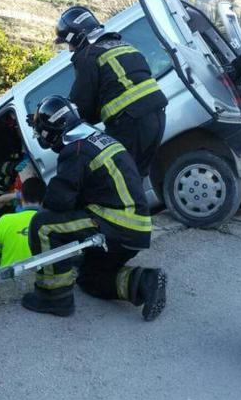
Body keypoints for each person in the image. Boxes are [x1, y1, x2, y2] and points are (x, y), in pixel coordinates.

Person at [22, 95, 167, 321]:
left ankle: (53, 298)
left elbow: (58, 202)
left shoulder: (76, 150)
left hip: (115, 224)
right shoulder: (98, 139)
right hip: (135, 229)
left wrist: (37, 190)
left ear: (50, 132)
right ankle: (143, 282)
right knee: (89, 279)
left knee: (42, 226)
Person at [55, 6, 168, 178]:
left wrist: (54, 120)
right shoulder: (121, 44)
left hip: (131, 123)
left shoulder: (87, 56)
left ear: (77, 36)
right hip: (157, 116)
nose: (70, 49)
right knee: (136, 175)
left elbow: (81, 105)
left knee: (121, 178)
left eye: (68, 42)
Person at [0, 177, 46, 270]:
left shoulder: (5, 220)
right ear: (44, 199)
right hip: (39, 278)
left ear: (22, 197)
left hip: (9, 279)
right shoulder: (50, 223)